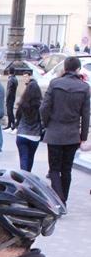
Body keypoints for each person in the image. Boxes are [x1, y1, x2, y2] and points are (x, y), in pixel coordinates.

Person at [40, 55, 90, 203]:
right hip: (72, 134)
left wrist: (47, 123)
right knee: (66, 169)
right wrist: (84, 136)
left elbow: (44, 108)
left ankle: (57, 198)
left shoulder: (55, 83)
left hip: (54, 132)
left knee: (54, 168)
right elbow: (86, 115)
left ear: (65, 68)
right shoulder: (84, 87)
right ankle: (64, 200)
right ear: (78, 69)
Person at [15, 71, 43, 172]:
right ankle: (28, 176)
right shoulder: (40, 105)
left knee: (23, 158)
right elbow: (42, 120)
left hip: (22, 134)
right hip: (35, 135)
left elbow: (17, 117)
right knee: (30, 158)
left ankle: (22, 176)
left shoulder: (23, 103)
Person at [5, 67, 18, 131]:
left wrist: (6, 99)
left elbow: (9, 90)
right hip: (13, 96)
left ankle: (12, 124)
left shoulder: (10, 79)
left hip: (10, 97)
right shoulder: (15, 78)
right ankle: (10, 124)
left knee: (9, 111)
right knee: (10, 111)